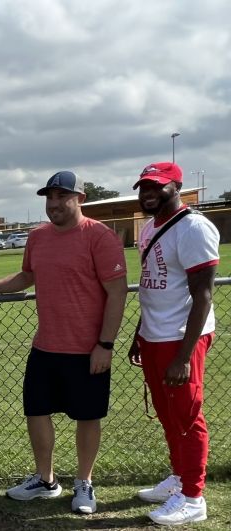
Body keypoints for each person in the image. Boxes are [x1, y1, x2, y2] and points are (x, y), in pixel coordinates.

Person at [0, 170, 127, 515]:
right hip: (45, 347)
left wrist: (106, 344)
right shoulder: (38, 237)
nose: (53, 204)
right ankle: (45, 480)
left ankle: (84, 482)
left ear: (80, 199)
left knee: (87, 416)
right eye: (49, 197)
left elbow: (116, 292)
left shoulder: (99, 236)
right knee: (36, 411)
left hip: (88, 349)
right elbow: (26, 276)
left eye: (61, 197)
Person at [128, 162, 218, 526]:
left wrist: (183, 356)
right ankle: (180, 479)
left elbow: (204, 295)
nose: (149, 193)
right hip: (154, 334)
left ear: (177, 187)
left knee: (187, 416)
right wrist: (140, 331)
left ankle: (194, 498)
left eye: (157, 187)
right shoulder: (150, 227)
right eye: (144, 187)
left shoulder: (194, 228)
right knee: (168, 415)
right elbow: (152, 286)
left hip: (181, 338)